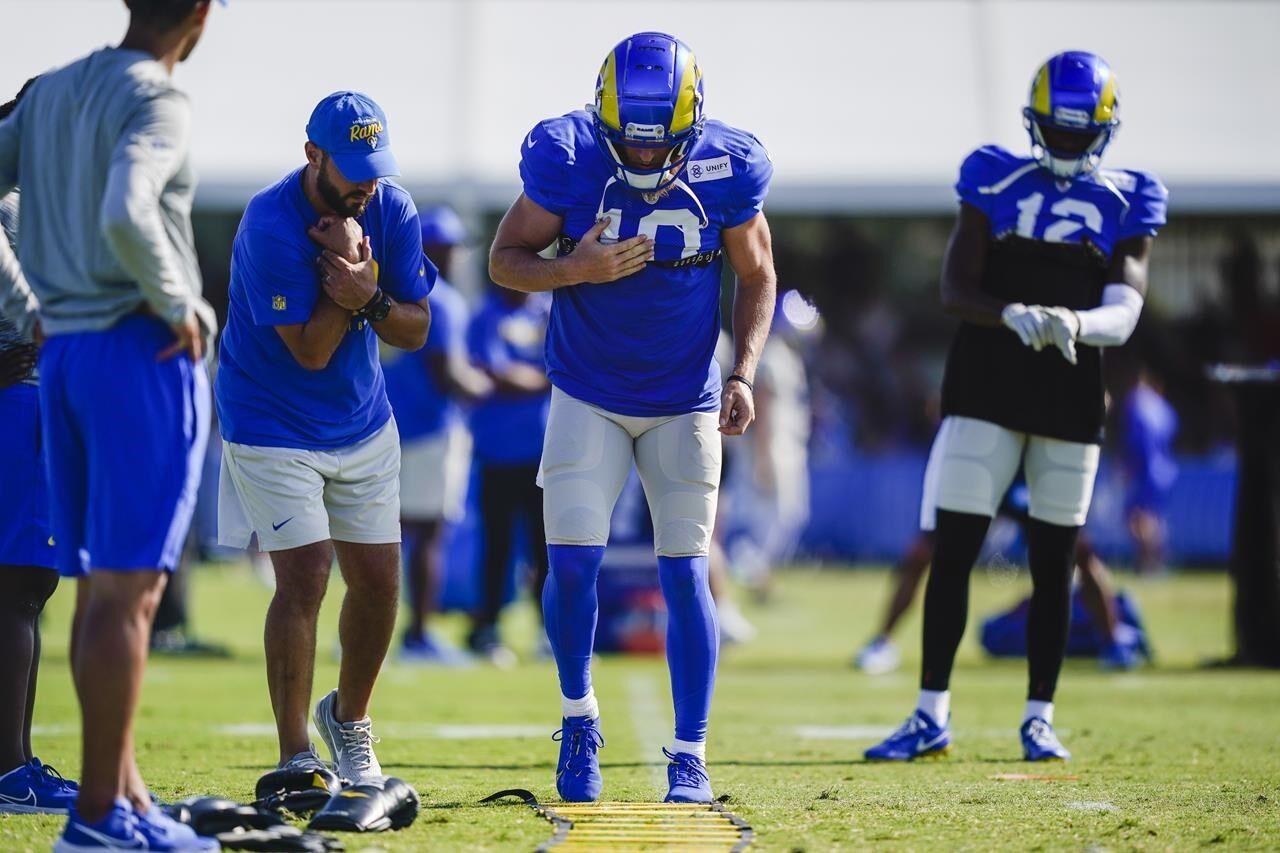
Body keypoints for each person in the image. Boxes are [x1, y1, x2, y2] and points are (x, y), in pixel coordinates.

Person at [489, 32, 776, 802]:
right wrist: (573, 268)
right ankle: (578, 716)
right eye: (631, 146)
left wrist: (743, 370)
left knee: (686, 575)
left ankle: (691, 752)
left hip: (685, 398)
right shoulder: (568, 155)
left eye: (661, 149)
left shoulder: (729, 165)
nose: (645, 161)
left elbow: (758, 274)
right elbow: (504, 258)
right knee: (573, 567)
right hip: (587, 390)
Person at [864, 51, 1167, 763]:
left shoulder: (1130, 196)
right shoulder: (992, 173)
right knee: (955, 550)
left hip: (1069, 397)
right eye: (1055, 132)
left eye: (1077, 133)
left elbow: (1125, 306)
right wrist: (1013, 314)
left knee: (1055, 559)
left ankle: (1039, 716)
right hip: (985, 391)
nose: (1064, 146)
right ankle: (930, 711)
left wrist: (1077, 324)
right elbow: (954, 288)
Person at [0, 2, 224, 848]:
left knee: (102, 588)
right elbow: (129, 211)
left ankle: (121, 796)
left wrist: (29, 308)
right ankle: (100, 817)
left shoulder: (52, 90)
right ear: (201, 14)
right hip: (138, 355)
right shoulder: (158, 96)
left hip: (61, 359)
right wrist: (180, 302)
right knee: (129, 597)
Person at [215, 92, 433, 786]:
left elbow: (416, 327)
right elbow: (307, 351)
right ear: (314, 156)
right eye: (355, 169)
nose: (368, 183)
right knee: (306, 574)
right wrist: (351, 286)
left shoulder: (390, 207)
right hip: (269, 417)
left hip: (362, 419)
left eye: (378, 167)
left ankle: (348, 718)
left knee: (378, 583)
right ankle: (294, 755)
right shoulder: (269, 224)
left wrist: (364, 288)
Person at [0, 79, 80, 817]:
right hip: (18, 395)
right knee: (21, 585)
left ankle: (15, 762)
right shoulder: (17, 201)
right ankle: (10, 769)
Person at [382, 205, 491, 664]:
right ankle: (418, 634)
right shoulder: (441, 299)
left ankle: (373, 632)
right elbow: (448, 375)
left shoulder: (390, 290)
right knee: (429, 535)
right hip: (430, 429)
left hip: (386, 428)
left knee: (381, 537)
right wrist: (493, 385)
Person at [464, 285, 552, 665]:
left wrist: (541, 374)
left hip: (546, 452)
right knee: (497, 548)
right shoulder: (487, 315)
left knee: (546, 549)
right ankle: (488, 631)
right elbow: (495, 372)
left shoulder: (549, 311)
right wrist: (547, 378)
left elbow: (572, 358)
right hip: (498, 451)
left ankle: (550, 633)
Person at [1120, 367, 1178, 575]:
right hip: (1165, 469)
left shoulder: (1136, 403)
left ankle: (1150, 562)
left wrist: (1128, 467)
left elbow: (1136, 442)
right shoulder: (1163, 407)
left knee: (1137, 517)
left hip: (1145, 469)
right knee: (1151, 516)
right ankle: (1155, 561)